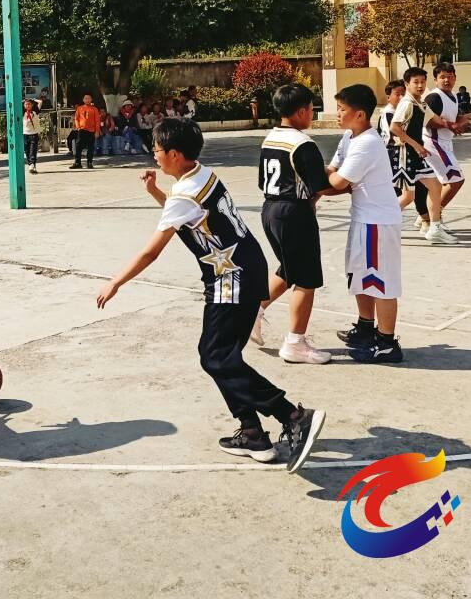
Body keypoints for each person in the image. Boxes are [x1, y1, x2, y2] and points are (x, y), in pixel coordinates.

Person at [95, 118, 324, 471]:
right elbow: (185, 213)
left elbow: (151, 251)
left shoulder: (183, 194)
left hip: (230, 279)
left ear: (174, 153)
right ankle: (251, 432)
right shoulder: (201, 175)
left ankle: (292, 414)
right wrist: (155, 192)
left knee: (215, 357)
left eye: (156, 150)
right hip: (248, 269)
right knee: (222, 355)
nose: (154, 156)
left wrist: (115, 282)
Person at [250, 83, 336, 364]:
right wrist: (351, 184)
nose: (312, 113)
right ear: (301, 111)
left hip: (271, 209)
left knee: (288, 269)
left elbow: (269, 178)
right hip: (294, 213)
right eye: (312, 109)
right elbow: (321, 186)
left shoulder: (271, 138)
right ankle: (295, 342)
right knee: (307, 278)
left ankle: (253, 310)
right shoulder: (303, 144)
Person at [326, 85, 405, 364]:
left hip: (377, 222)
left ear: (360, 114)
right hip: (362, 218)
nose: (337, 114)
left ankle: (386, 343)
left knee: (380, 282)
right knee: (361, 276)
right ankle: (365, 328)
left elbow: (337, 182)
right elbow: (333, 170)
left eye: (342, 109)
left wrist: (307, 182)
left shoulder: (368, 143)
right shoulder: (350, 136)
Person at [388, 67, 451, 244]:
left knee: (436, 186)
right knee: (408, 196)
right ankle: (381, 222)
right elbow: (395, 127)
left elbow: (437, 120)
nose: (420, 85)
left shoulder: (420, 103)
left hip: (416, 154)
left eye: (423, 81)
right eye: (416, 82)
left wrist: (458, 122)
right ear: (407, 84)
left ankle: (435, 227)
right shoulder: (407, 103)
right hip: (404, 153)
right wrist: (417, 146)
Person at [423, 62, 471, 225]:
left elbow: (451, 119)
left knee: (440, 184)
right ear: (435, 80)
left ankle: (428, 218)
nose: (446, 80)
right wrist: (451, 125)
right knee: (455, 180)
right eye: (442, 77)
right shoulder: (434, 97)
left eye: (450, 77)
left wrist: (464, 118)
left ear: (455, 78)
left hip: (445, 143)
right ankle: (434, 218)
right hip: (433, 142)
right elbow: (427, 121)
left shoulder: (453, 96)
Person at [71, 93, 100, 169]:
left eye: (89, 98)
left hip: (91, 130)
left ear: (91, 100)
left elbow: (97, 121)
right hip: (82, 129)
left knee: (91, 147)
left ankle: (89, 162)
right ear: (83, 100)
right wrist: (78, 127)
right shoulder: (79, 108)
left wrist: (97, 131)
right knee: (78, 146)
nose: (87, 100)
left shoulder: (94, 109)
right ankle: (78, 163)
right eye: (85, 98)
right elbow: (76, 119)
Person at [22, 98, 41, 173]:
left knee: (33, 150)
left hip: (34, 133)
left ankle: (32, 164)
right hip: (25, 134)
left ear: (32, 105)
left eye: (29, 104)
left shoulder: (35, 111)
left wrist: (32, 99)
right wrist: (23, 100)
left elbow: (40, 102)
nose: (27, 105)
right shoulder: (23, 113)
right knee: (27, 150)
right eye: (26, 104)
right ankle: (32, 165)